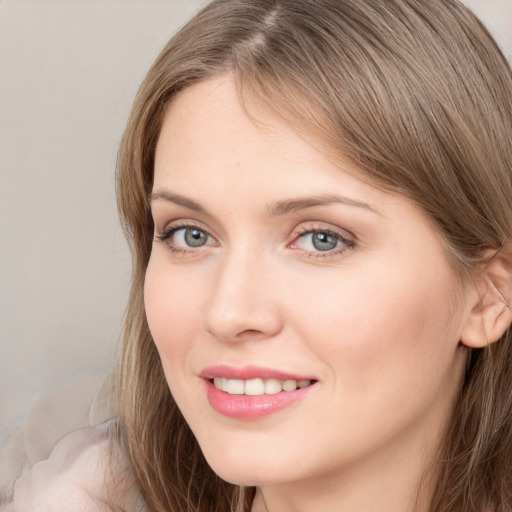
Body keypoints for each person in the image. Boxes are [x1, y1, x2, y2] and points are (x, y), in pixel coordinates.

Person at [3, 0, 511, 511]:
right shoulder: (49, 480)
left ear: (489, 295)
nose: (228, 313)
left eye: (321, 239)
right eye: (190, 235)